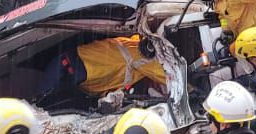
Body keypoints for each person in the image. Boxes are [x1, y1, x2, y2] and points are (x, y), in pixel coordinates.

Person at [38, 35, 168, 106]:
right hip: (76, 66)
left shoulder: (131, 44)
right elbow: (168, 77)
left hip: (80, 74)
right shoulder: (143, 54)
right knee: (43, 102)